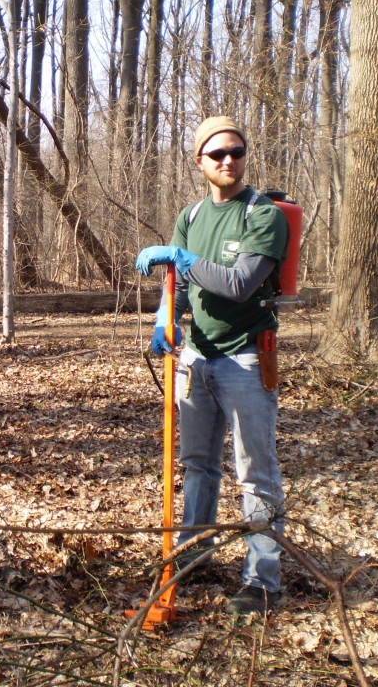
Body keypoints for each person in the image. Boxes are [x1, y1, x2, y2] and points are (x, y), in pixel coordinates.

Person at [135, 116, 288, 616]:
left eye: (237, 152)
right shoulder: (192, 214)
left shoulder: (262, 215)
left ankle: (262, 579)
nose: (229, 161)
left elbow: (241, 282)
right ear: (199, 161)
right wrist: (165, 320)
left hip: (246, 357)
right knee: (198, 465)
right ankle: (195, 551)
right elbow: (173, 285)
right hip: (196, 358)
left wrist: (182, 257)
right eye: (218, 153)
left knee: (255, 473)